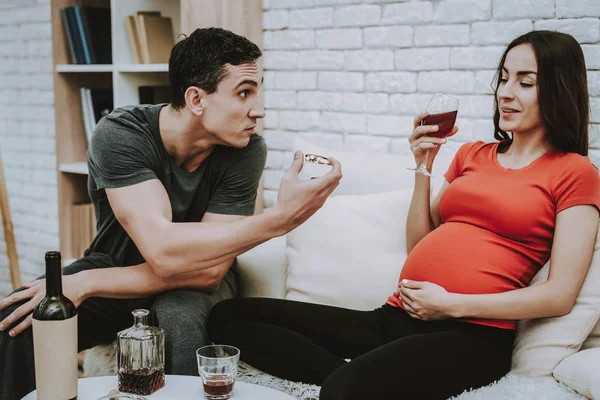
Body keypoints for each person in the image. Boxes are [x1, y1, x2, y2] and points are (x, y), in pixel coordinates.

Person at [207, 30, 600, 400]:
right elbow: (420, 242)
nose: (506, 93)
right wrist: (424, 166)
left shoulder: (576, 173)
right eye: (504, 78)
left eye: (525, 83)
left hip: (472, 334)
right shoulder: (473, 154)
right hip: (396, 316)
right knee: (228, 318)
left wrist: (452, 304)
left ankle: (353, 379)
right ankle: (360, 374)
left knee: (342, 391)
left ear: (557, 90)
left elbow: (559, 295)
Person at [0, 27, 342, 400]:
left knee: (179, 314)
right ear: (196, 99)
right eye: (244, 92)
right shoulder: (121, 134)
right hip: (115, 266)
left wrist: (87, 282)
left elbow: (208, 271)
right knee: (19, 319)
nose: (258, 109)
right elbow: (162, 250)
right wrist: (280, 219)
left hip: (197, 281)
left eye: (258, 91)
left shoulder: (246, 148)